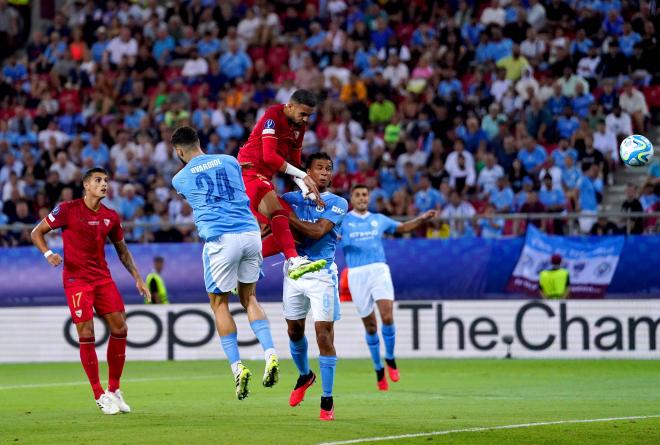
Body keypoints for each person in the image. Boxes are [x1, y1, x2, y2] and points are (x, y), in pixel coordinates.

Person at [30, 167, 151, 415]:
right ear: (86, 185)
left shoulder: (111, 216)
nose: (104, 184)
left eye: (106, 180)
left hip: (102, 278)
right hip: (76, 280)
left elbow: (122, 249)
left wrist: (138, 278)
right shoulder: (67, 209)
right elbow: (36, 232)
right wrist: (48, 253)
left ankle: (114, 389)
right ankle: (99, 394)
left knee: (121, 327)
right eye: (98, 180)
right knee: (86, 331)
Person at [170, 126, 279, 401]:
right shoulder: (231, 161)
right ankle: (271, 354)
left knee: (219, 304)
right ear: (199, 142)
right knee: (250, 297)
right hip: (250, 233)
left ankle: (237, 367)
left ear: (179, 151)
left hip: (220, 239)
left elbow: (197, 194)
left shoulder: (179, 178)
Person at [340, 184, 437, 390]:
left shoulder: (378, 219)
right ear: (351, 198)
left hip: (379, 270)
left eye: (365, 195)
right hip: (356, 274)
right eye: (357, 195)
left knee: (387, 316)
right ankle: (378, 369)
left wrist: (421, 219)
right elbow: (327, 233)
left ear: (369, 198)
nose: (362, 198)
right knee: (371, 326)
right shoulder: (343, 220)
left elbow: (401, 228)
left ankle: (390, 359)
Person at [275, 152, 348, 421]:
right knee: (294, 331)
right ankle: (305, 375)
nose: (325, 173)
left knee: (323, 336)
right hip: (294, 271)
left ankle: (327, 400)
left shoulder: (338, 202)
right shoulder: (291, 199)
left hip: (321, 274)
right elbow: (266, 210)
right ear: (306, 171)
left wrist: (284, 217)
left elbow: (318, 231)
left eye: (329, 168)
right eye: (320, 168)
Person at [237, 89, 327, 280]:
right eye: (302, 114)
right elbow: (269, 157)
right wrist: (303, 176)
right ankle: (293, 261)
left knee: (295, 231)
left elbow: (293, 164)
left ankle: (246, 262)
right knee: (278, 213)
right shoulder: (273, 116)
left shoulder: (299, 128)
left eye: (309, 116)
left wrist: (304, 186)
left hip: (263, 179)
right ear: (289, 106)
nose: (305, 120)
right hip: (249, 174)